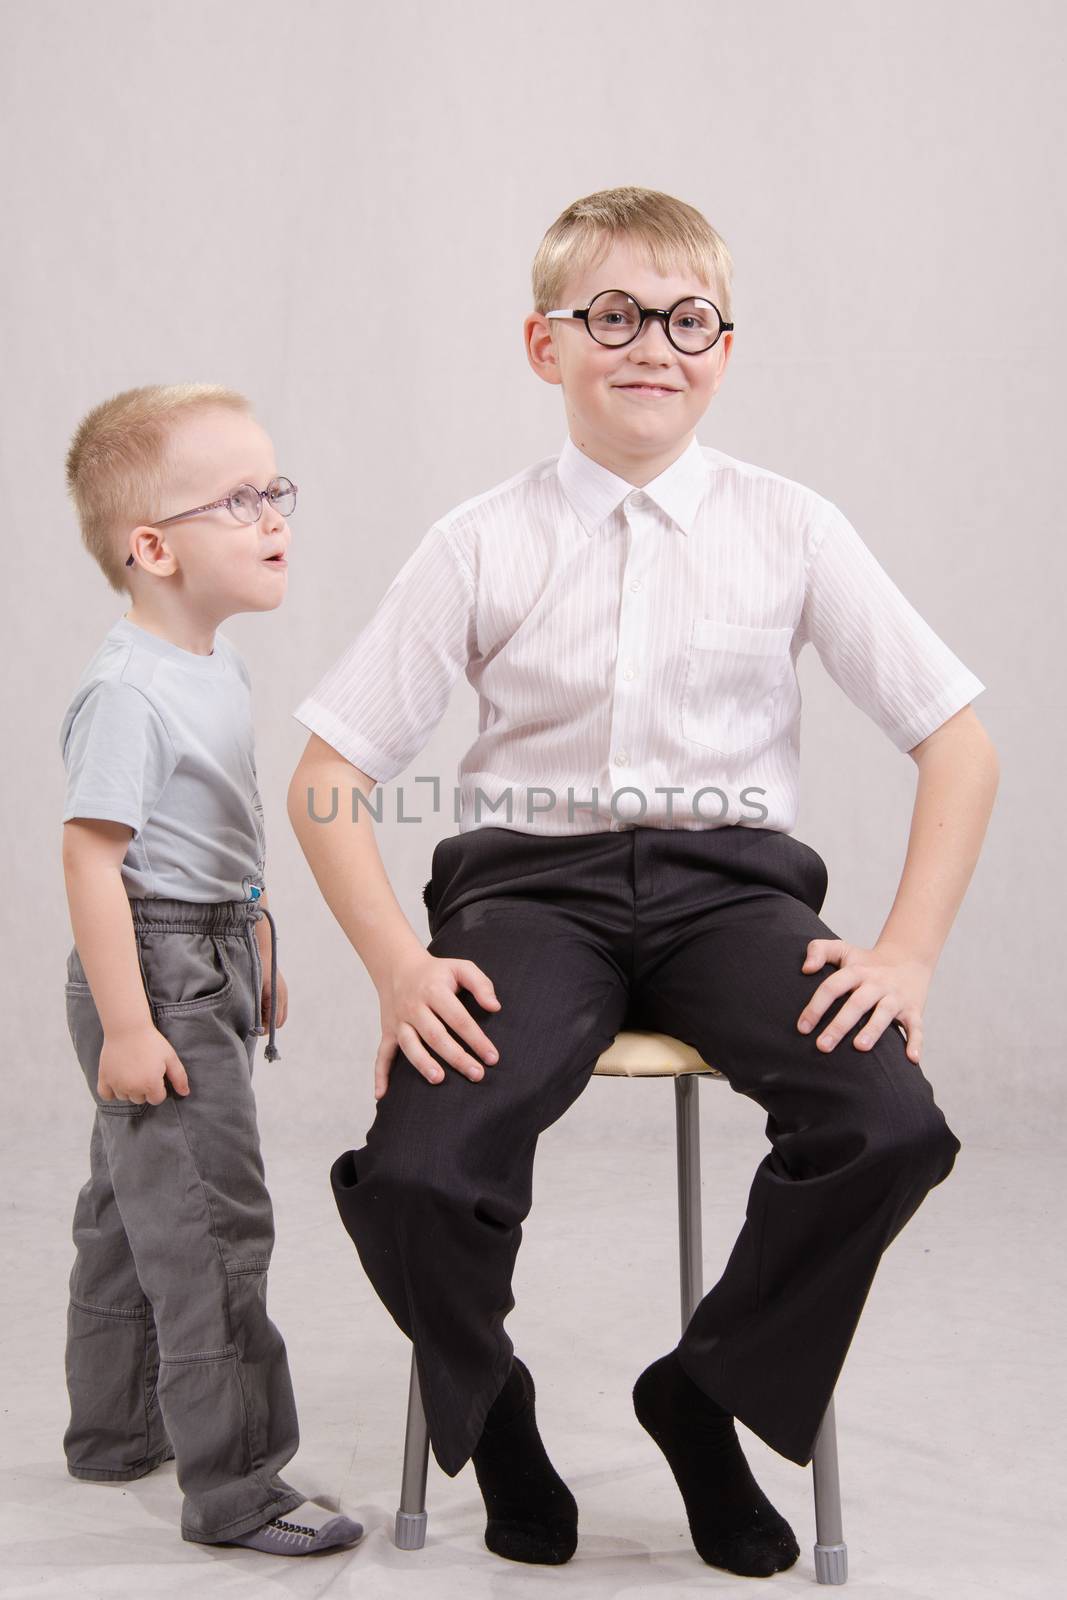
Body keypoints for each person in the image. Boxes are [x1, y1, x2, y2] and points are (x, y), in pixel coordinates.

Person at [287, 187, 998, 1577]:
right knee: (421, 1165)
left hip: (729, 898)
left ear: (722, 349)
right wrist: (393, 961)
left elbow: (956, 747)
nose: (649, 346)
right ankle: (490, 1404)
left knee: (886, 1123)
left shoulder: (788, 526)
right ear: (543, 343)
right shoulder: (478, 539)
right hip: (526, 898)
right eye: (610, 315)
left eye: (684, 320)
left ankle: (704, 1394)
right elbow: (327, 771)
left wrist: (905, 951)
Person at [59, 383, 364, 1557]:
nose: (272, 513)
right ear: (152, 547)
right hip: (155, 968)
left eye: (274, 489)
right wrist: (133, 1027)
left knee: (130, 1210)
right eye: (237, 499)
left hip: (210, 951)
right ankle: (237, 1483)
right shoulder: (129, 688)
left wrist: (259, 939)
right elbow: (95, 865)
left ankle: (115, 1428)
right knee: (211, 1225)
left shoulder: (208, 661)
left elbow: (220, 826)